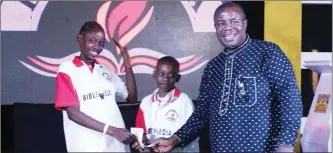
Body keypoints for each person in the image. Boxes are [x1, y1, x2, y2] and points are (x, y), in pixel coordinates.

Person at [152, 2, 302, 153]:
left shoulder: (268, 53)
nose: (227, 27)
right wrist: (174, 140)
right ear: (216, 28)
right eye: (220, 23)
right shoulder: (213, 67)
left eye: (234, 21)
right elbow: (201, 113)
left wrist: (285, 145)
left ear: (245, 24)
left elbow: (290, 100)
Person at [54, 21, 138, 152]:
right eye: (92, 41)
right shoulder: (67, 69)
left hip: (116, 145)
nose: (97, 47)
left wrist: (127, 64)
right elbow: (72, 113)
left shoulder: (105, 70)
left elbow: (131, 98)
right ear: (80, 39)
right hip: (88, 145)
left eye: (101, 43)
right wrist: (112, 130)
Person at [132, 56, 200, 152]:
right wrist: (143, 144)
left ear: (178, 77)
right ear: (155, 74)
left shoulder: (184, 101)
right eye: (161, 74)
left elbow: (192, 132)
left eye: (171, 75)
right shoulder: (146, 102)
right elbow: (140, 131)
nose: (165, 79)